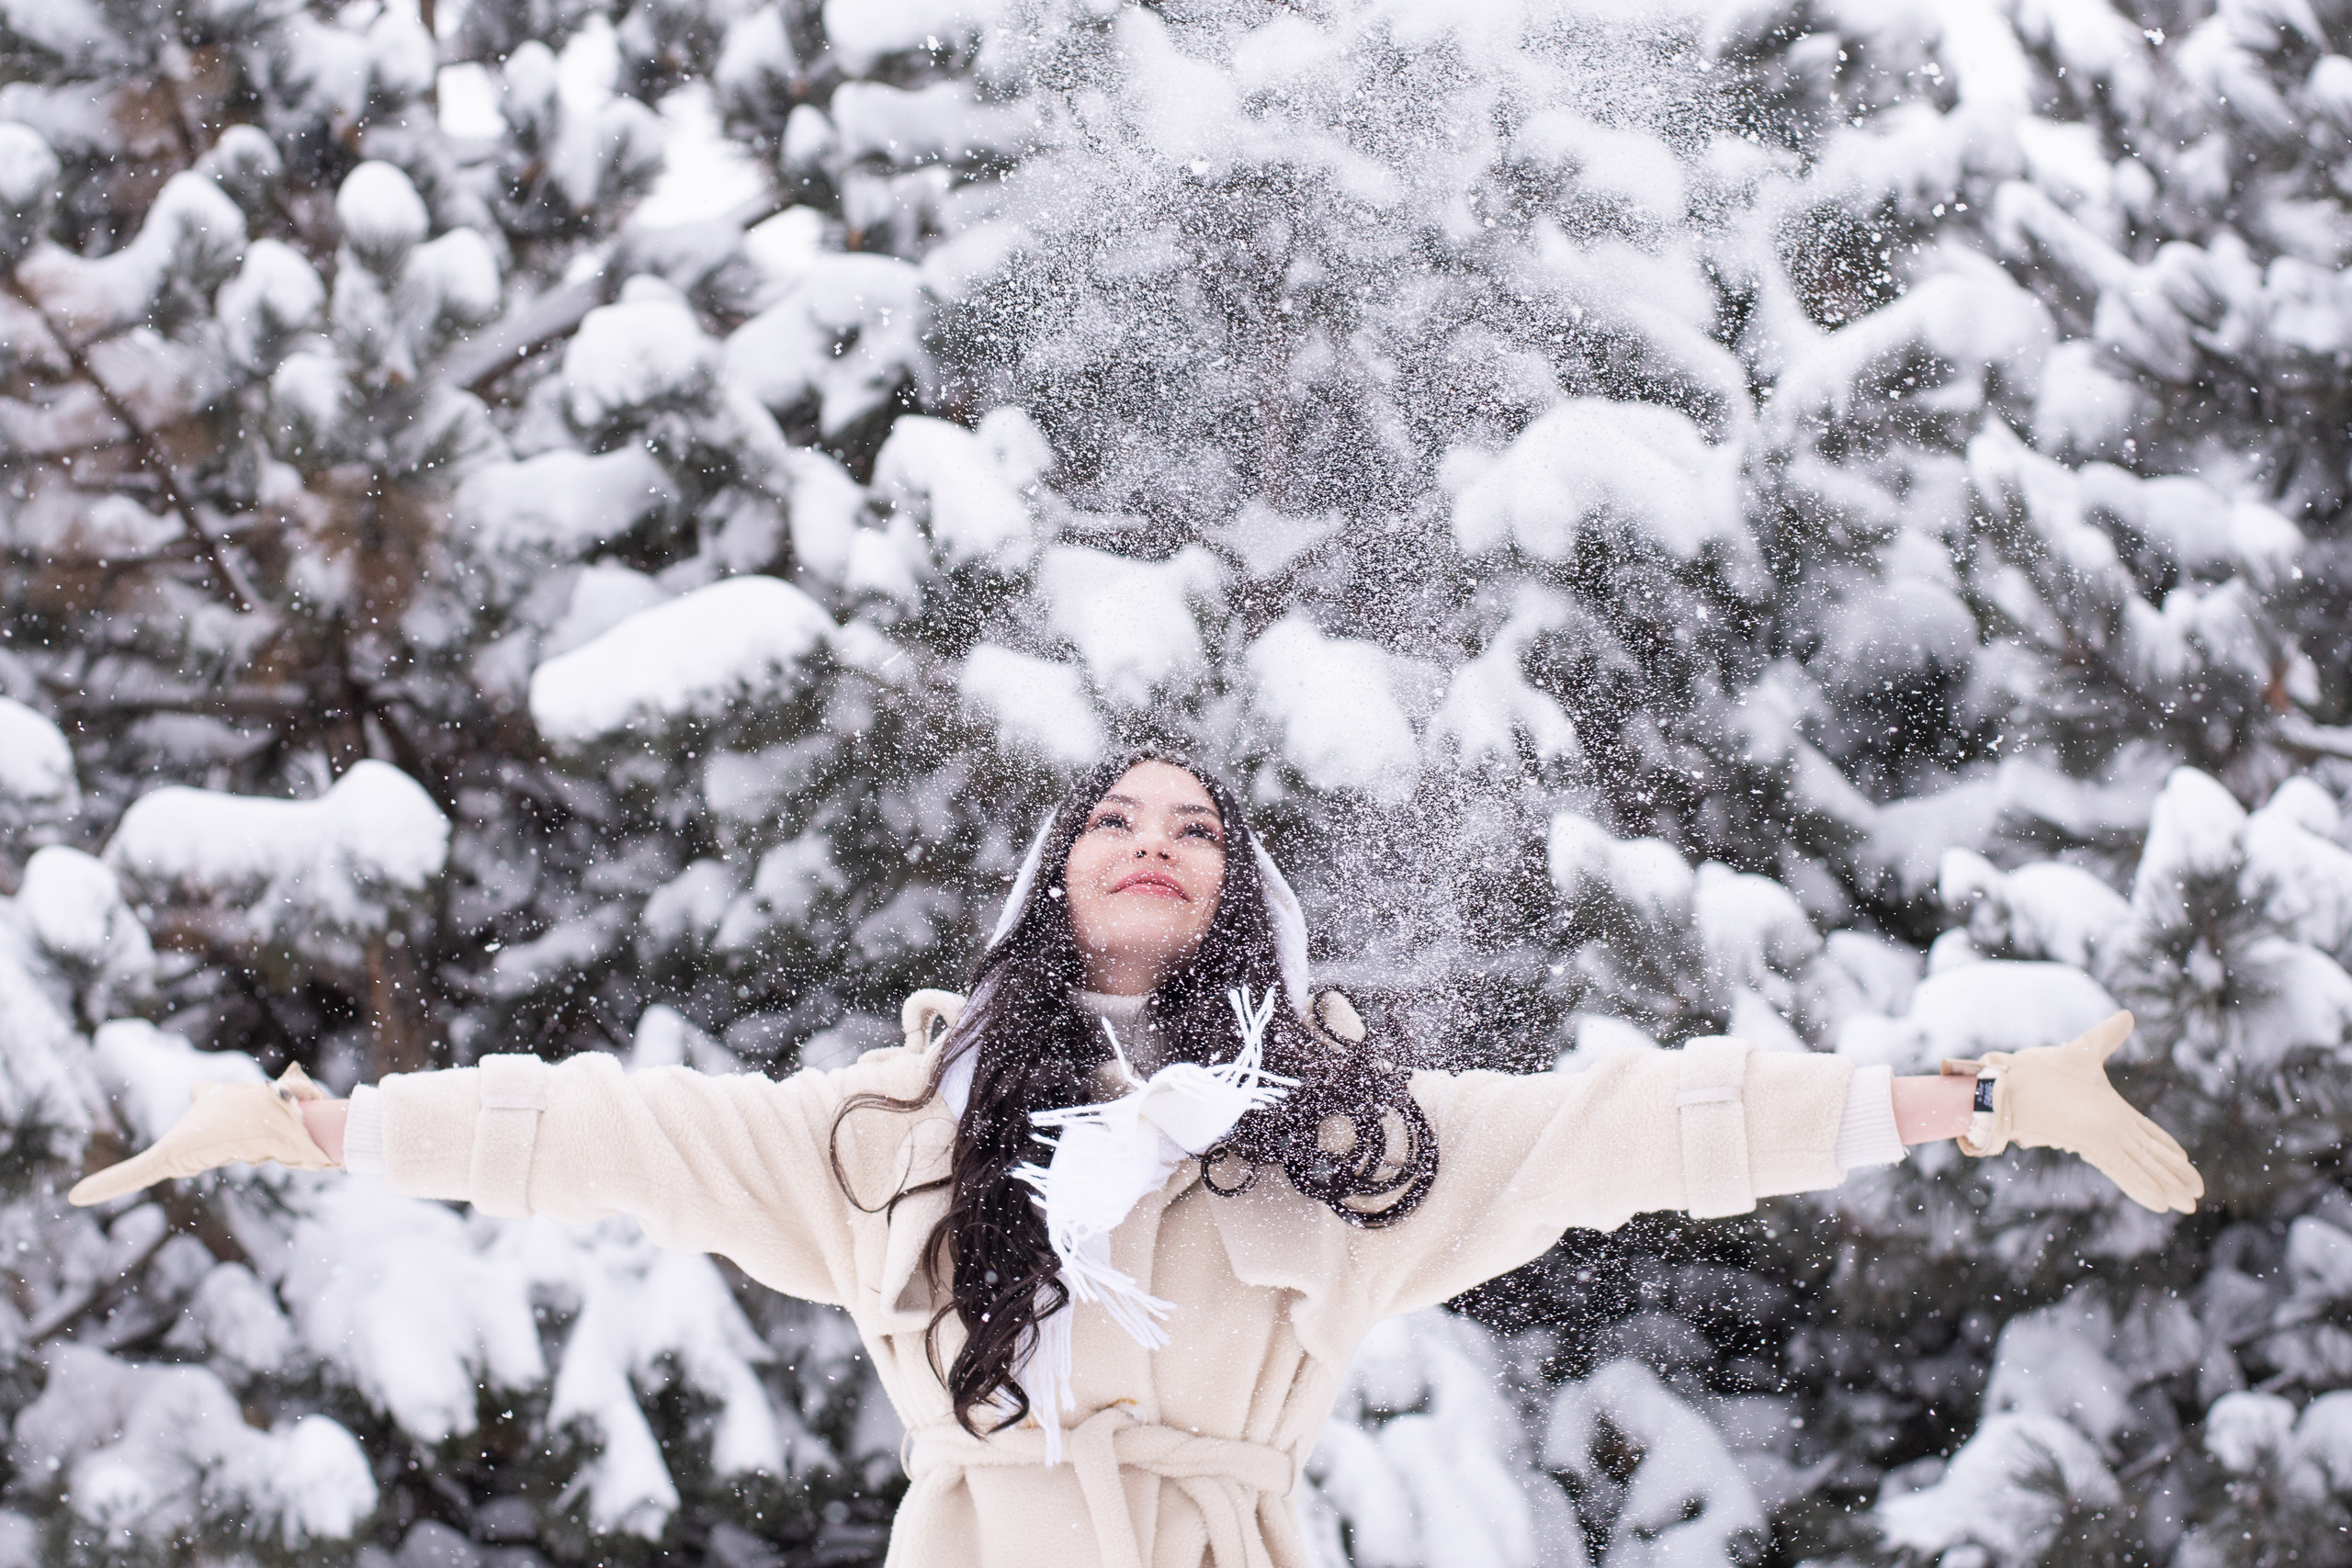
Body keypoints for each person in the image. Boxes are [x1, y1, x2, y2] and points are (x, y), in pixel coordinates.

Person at [71, 751, 2204, 1568]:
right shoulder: (883, 1132)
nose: (1152, 840)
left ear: (1240, 896)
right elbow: (601, 1132)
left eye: (1194, 826)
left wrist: (1975, 1099)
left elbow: (1645, 1121)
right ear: (1054, 877)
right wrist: (328, 1123)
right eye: (1114, 816)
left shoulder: (1353, 1148)